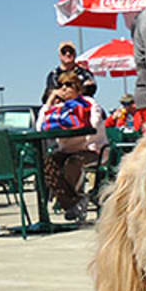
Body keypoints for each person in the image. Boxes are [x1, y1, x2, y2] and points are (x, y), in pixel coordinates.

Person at [37, 71, 108, 222]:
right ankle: (75, 202)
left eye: (68, 85)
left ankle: (72, 203)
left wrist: (74, 119)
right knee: (48, 163)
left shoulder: (87, 103)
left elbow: (94, 125)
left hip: (92, 149)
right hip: (66, 150)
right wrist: (50, 101)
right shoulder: (59, 108)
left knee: (72, 163)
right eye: (60, 85)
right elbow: (39, 127)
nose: (64, 88)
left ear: (77, 87)